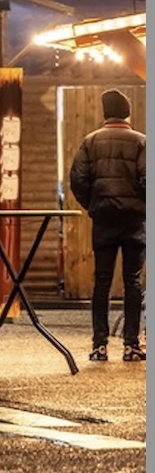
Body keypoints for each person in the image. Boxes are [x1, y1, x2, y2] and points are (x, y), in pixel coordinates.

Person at [69, 89, 146, 362]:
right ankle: (131, 346)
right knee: (132, 282)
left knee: (101, 283)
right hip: (135, 221)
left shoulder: (90, 142)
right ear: (127, 113)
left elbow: (77, 179)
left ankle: (99, 346)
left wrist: (94, 203)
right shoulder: (141, 142)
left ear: (105, 114)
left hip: (103, 220)